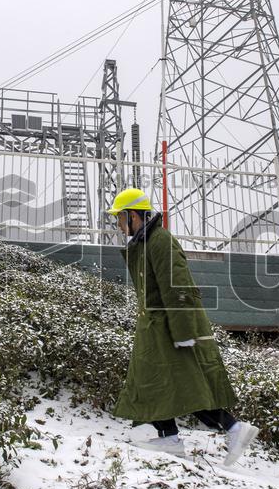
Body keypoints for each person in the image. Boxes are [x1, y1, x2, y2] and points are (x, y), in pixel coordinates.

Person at [107, 187, 259, 465]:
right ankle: (169, 437)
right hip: (154, 329)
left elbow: (177, 286)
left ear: (133, 215)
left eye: (120, 218)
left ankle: (234, 428)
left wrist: (183, 331)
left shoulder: (160, 241)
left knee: (187, 386)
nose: (118, 224)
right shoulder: (146, 242)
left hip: (168, 328)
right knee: (155, 383)